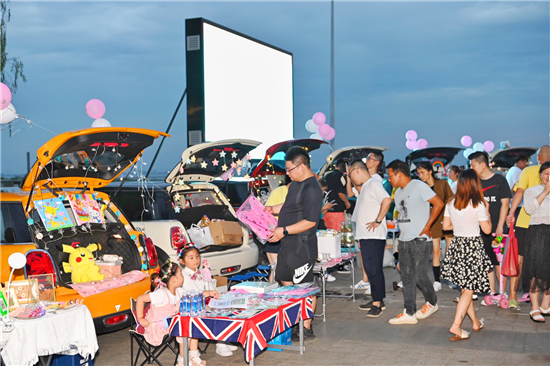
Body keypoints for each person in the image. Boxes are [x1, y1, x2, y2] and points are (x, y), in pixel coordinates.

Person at [267, 146, 322, 338]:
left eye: (290, 170)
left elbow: (311, 221)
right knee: (285, 279)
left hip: (302, 244)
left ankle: (306, 327)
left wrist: (284, 230)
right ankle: (294, 318)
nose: (287, 174)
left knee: (304, 286)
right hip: (288, 244)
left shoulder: (312, 188)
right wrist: (272, 209)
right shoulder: (296, 183)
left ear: (301, 166)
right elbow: (290, 206)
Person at [386, 159, 443, 325]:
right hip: (404, 239)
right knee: (407, 276)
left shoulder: (418, 185)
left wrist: (427, 226)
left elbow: (438, 203)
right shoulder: (399, 192)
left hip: (419, 239)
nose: (389, 179)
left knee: (419, 275)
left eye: (390, 176)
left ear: (399, 174)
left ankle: (432, 302)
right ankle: (409, 312)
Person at [441, 169, 492, 341]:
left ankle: (476, 322)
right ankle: (456, 325)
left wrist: (460, 224)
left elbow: (446, 226)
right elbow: (487, 230)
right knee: (469, 289)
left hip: (457, 245)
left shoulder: (451, 202)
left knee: (465, 289)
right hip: (472, 247)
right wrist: (488, 214)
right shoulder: (478, 204)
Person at [506, 145, 550, 310]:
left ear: (538, 158)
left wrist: (511, 213)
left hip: (525, 222)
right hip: (544, 225)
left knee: (520, 260)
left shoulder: (529, 171)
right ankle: (543, 302)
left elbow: (519, 193)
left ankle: (512, 297)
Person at [349, 160, 391, 318]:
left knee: (374, 270)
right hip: (366, 235)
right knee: (371, 269)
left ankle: (377, 303)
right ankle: (377, 298)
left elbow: (387, 200)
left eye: (351, 174)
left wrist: (378, 220)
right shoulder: (366, 186)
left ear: (357, 171)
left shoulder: (374, 184)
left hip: (373, 235)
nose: (351, 178)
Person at [469, 151, 511, 297]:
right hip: (481, 230)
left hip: (498, 231)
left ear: (482, 164)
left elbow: (505, 205)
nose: (471, 167)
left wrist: (500, 225)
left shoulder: (500, 180)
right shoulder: (475, 183)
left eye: (473, 165)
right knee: (487, 260)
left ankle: (502, 292)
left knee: (499, 259)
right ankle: (493, 292)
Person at [136, 261, 186, 365]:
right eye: (181, 273)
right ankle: (183, 361)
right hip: (156, 327)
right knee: (182, 330)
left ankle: (190, 356)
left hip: (169, 323)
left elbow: (191, 295)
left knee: (187, 326)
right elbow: (140, 299)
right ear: (173, 279)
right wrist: (141, 318)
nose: (183, 276)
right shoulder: (161, 294)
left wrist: (207, 293)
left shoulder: (178, 291)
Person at [178, 245, 222, 360]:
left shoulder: (199, 272)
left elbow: (207, 288)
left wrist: (209, 284)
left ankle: (195, 353)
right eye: (191, 258)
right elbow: (188, 294)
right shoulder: (182, 276)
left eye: (197, 256)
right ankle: (185, 358)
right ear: (182, 261)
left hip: (199, 306)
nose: (196, 260)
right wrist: (207, 293)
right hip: (188, 308)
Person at [416, 162, 455, 292]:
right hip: (432, 222)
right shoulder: (421, 187)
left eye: (423, 172)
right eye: (419, 173)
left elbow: (451, 199)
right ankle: (437, 280)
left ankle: (451, 277)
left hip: (447, 219)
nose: (421, 176)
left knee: (450, 250)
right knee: (436, 251)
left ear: (430, 171)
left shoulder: (442, 184)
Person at [521, 162, 550, 322]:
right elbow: (529, 209)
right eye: (546, 173)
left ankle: (546, 305)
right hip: (538, 232)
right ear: (540, 174)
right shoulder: (531, 191)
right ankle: (534, 308)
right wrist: (545, 192)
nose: (548, 177)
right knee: (536, 271)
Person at [264, 175, 292, 282]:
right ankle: (272, 295)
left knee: (286, 270)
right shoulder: (278, 192)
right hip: (274, 234)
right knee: (276, 269)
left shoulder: (299, 194)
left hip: (289, 235)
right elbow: (266, 213)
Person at [323, 159, 350, 231]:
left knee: (329, 233)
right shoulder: (341, 176)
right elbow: (340, 193)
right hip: (337, 210)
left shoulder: (327, 176)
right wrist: (347, 202)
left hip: (327, 210)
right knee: (338, 233)